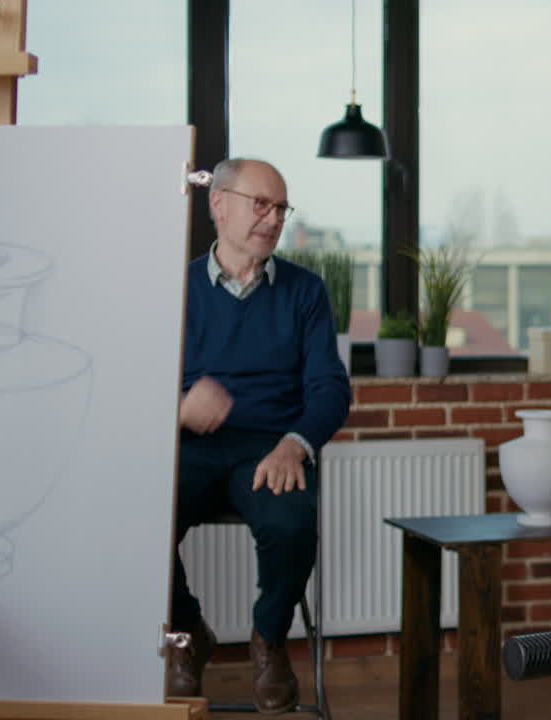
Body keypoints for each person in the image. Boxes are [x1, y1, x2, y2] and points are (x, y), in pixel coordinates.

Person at [167, 158, 351, 712]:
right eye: (261, 205)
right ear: (219, 204)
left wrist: (296, 443)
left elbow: (330, 388)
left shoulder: (305, 291)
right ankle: (187, 630)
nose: (273, 220)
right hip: (191, 448)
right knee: (136, 513)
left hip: (272, 448)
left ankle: (269, 638)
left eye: (281, 209)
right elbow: (129, 385)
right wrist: (177, 408)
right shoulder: (174, 287)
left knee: (292, 524)